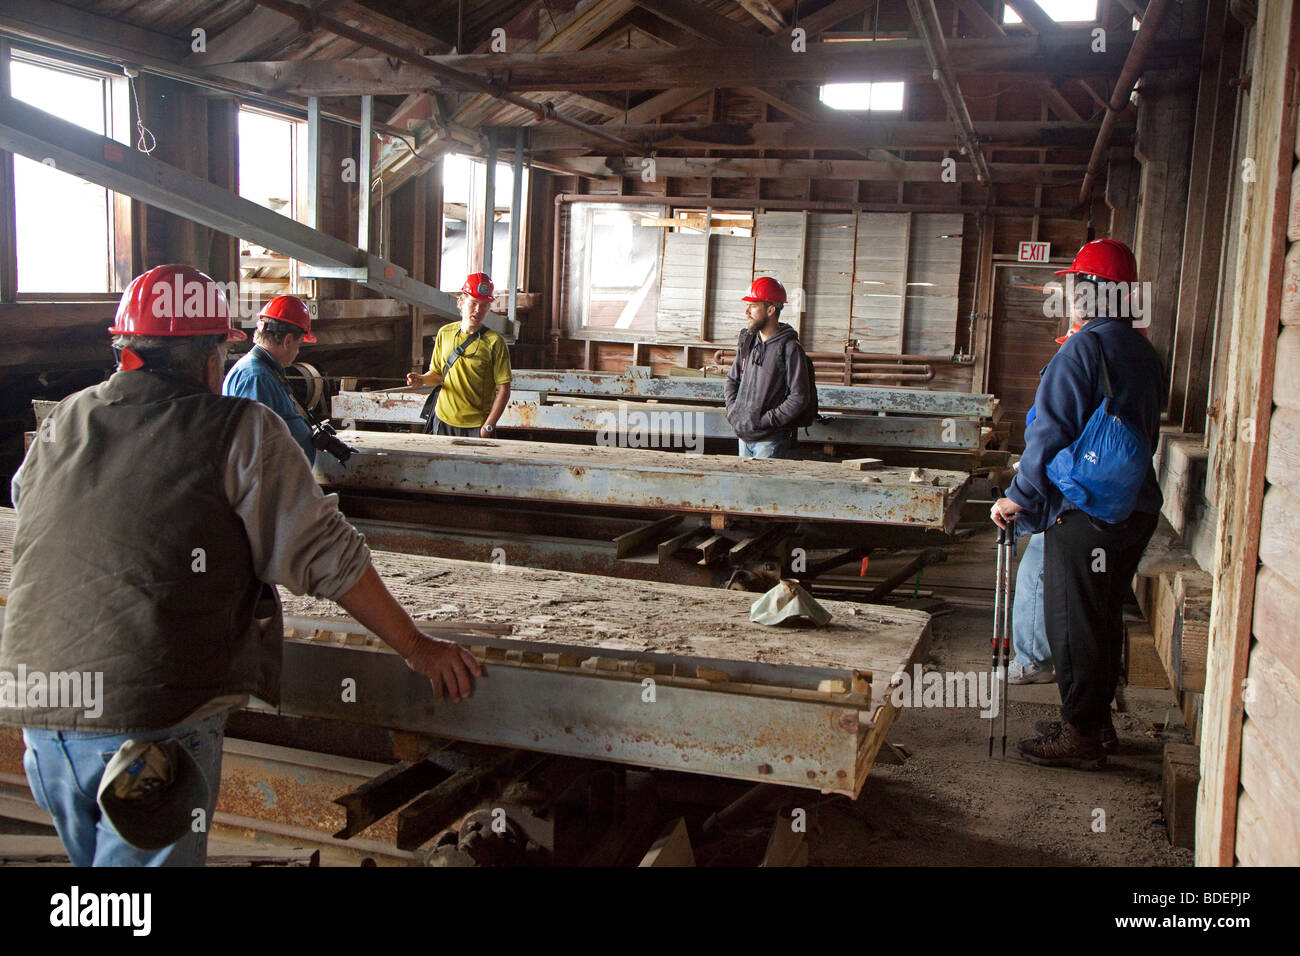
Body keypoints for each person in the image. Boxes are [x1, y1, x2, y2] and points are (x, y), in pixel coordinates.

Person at [0, 265, 481, 866]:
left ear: (125, 348)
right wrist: (418, 648)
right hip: (148, 723)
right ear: (213, 355)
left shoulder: (66, 418)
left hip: (41, 714)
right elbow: (326, 554)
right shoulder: (239, 428)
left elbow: (29, 502)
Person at [990, 238, 1162, 770]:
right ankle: (1094, 721)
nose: (1070, 295)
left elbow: (1049, 431)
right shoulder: (1141, 349)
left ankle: (1081, 733)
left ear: (1093, 293)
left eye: (1075, 285)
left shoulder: (1083, 347)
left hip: (1083, 510)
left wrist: (1018, 496)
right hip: (1133, 507)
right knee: (1103, 616)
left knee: (1072, 622)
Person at [406, 273, 512, 438]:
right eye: (474, 303)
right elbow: (437, 375)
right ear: (461, 303)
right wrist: (421, 379)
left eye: (484, 305)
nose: (478, 310)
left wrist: (488, 427)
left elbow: (504, 389)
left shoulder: (494, 342)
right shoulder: (445, 333)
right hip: (442, 419)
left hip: (477, 425)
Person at [724, 277, 813, 459]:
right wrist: (735, 411)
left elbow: (799, 397)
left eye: (753, 306)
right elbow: (732, 380)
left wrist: (764, 421)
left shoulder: (790, 349)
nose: (747, 311)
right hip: (743, 435)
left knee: (761, 488)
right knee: (744, 485)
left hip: (770, 441)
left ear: (771, 310)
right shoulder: (748, 341)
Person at [222, 294, 318, 463]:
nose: (298, 351)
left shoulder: (265, 372)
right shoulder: (257, 378)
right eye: (299, 344)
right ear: (288, 341)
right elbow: (254, 448)